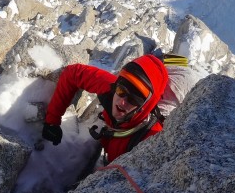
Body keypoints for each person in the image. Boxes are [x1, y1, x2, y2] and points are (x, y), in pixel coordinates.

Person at [41, 54, 169, 163]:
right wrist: (52, 120)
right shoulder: (110, 91)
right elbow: (73, 73)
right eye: (121, 90)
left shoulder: (151, 138)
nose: (122, 102)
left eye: (133, 100)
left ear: (144, 107)